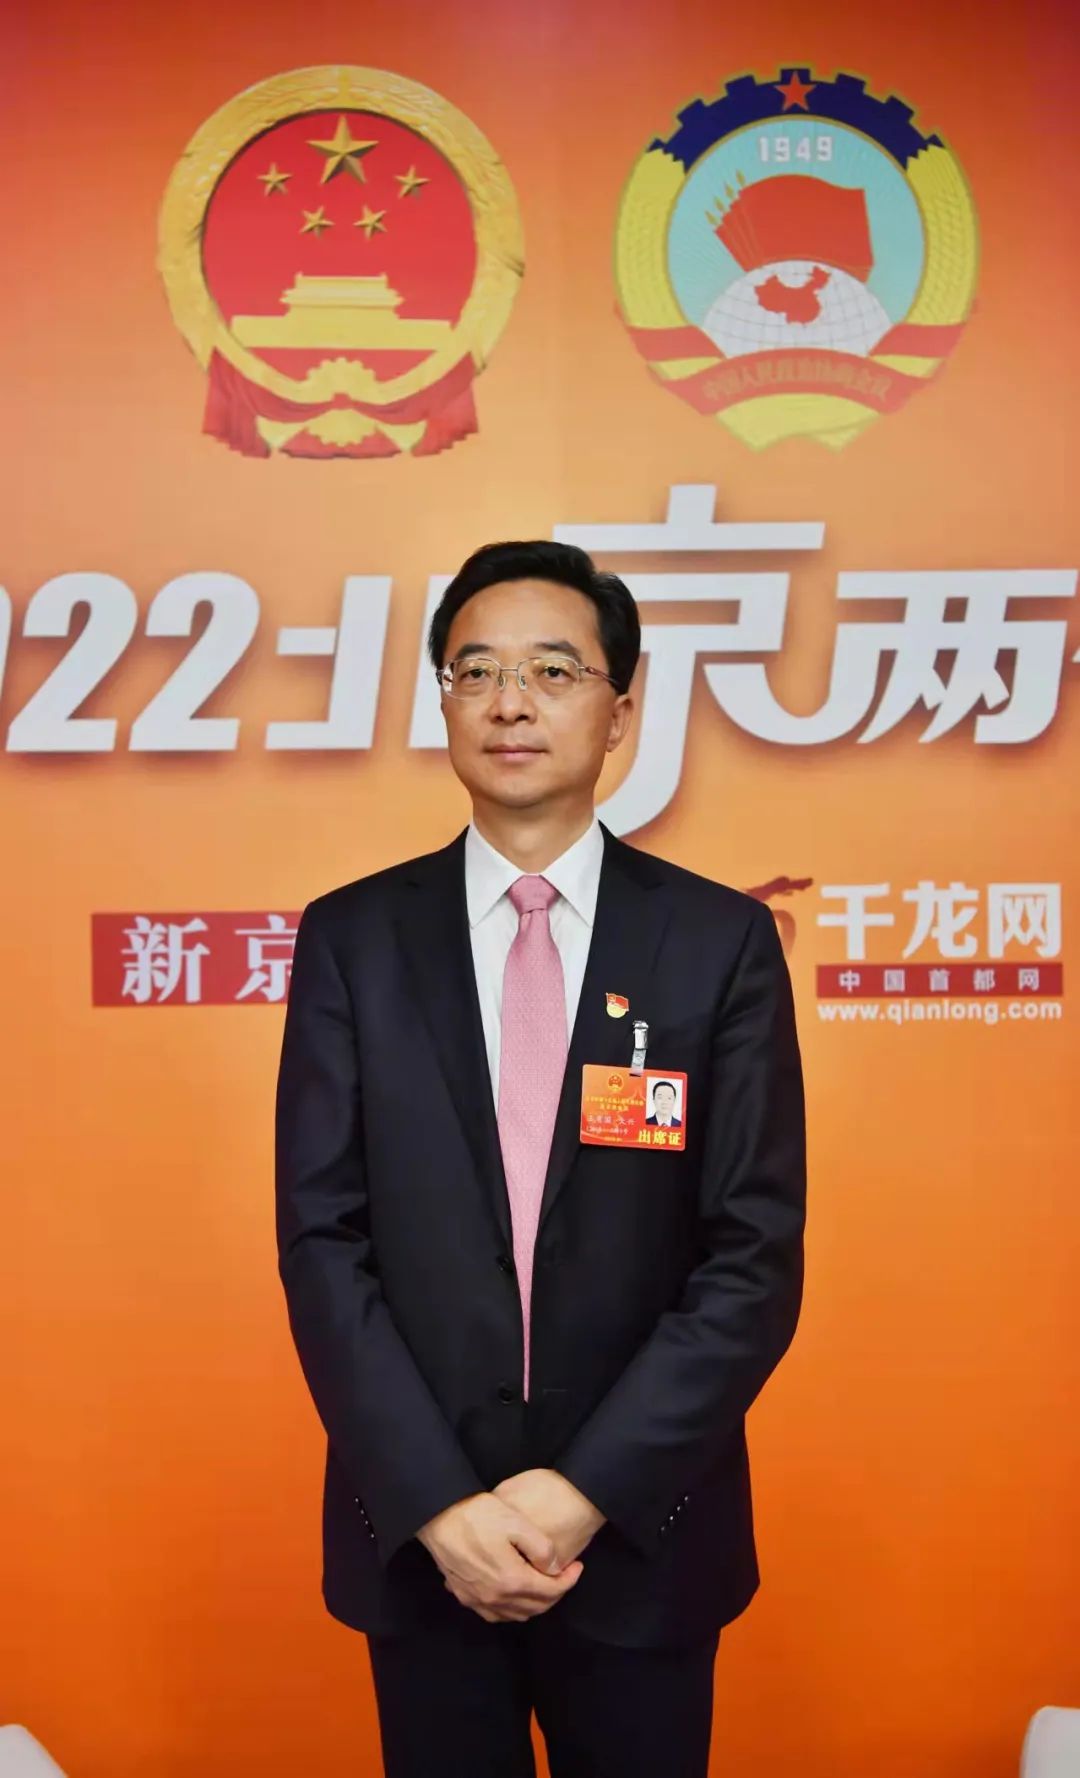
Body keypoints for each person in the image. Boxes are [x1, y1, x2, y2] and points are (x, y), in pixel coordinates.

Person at [274, 540, 806, 1778]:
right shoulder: (354, 937)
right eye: (478, 670)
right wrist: (440, 1503)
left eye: (553, 670)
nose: (511, 701)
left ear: (619, 709)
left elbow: (752, 1258)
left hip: (640, 1533)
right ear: (445, 701)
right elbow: (322, 1243)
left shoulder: (717, 941)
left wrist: (582, 1492)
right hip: (428, 1540)